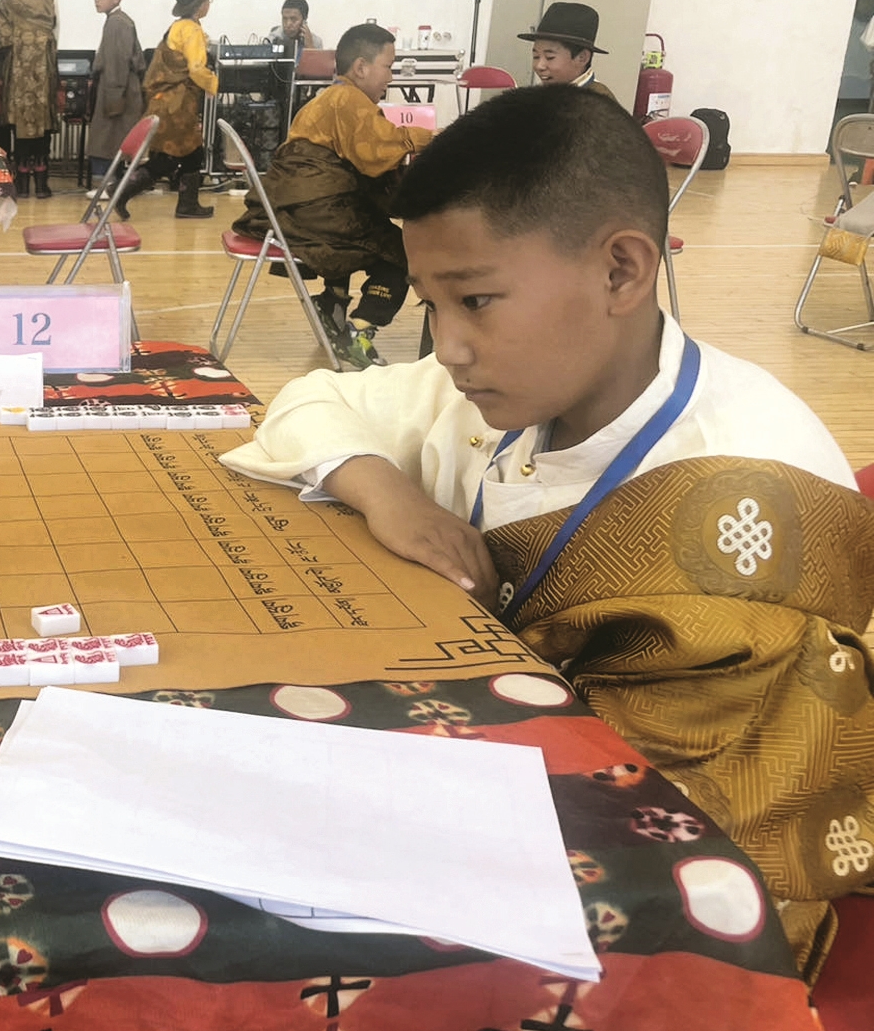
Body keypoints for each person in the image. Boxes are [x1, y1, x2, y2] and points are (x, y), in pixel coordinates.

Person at [222, 85, 872, 983]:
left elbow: (656, 843)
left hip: (650, 919)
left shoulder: (742, 510)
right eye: (430, 305)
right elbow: (312, 398)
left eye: (476, 299)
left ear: (621, 271)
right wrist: (389, 495)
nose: (447, 347)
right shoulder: (523, 382)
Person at [231, 22, 432, 368]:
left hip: (288, 210)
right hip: (314, 209)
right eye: (388, 66)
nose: (391, 77)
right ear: (361, 67)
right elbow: (377, 153)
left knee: (361, 224)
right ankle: (360, 330)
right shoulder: (349, 99)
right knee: (399, 251)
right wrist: (429, 136)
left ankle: (333, 303)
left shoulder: (328, 98)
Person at [124, 0, 219, 220]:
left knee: (188, 153)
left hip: (164, 102)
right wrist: (213, 84)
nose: (209, 4)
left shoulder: (176, 27)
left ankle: (187, 205)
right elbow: (196, 68)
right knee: (170, 158)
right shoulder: (192, 31)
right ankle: (123, 192)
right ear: (200, 4)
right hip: (179, 105)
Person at [0, 0, 59, 197]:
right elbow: (56, 32)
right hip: (43, 66)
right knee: (43, 121)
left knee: (19, 121)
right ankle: (41, 185)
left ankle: (21, 185)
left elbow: (3, 37)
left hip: (18, 66)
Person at [84, 0, 145, 182]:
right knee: (112, 140)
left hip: (116, 90)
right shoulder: (118, 20)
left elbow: (117, 63)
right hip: (119, 88)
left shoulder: (116, 23)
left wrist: (113, 98)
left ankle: (105, 185)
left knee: (106, 140)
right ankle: (112, 184)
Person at [519, 1, 617, 103]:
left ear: (582, 58)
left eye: (549, 57)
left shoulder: (597, 103)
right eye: (536, 56)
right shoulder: (547, 92)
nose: (539, 66)